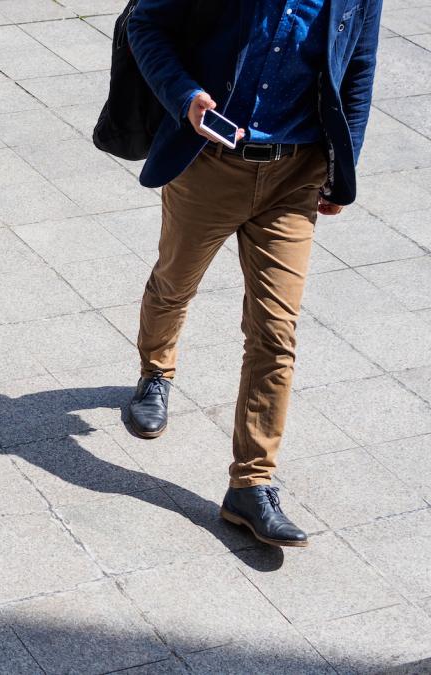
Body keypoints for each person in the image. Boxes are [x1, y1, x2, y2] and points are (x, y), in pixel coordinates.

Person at [125, 0, 382, 547]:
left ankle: (251, 484)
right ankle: (156, 372)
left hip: (296, 175)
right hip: (209, 163)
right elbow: (146, 23)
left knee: (276, 333)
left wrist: (344, 167)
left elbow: (358, 66)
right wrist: (186, 97)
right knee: (175, 283)